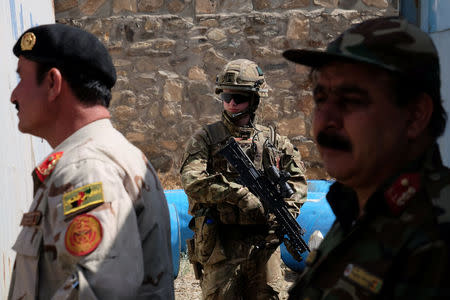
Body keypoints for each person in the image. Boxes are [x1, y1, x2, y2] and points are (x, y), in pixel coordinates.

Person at [282, 16, 450, 299]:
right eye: (320, 98)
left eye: (352, 100)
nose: (326, 119)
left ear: (415, 115)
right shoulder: (358, 207)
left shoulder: (435, 234)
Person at [8, 23, 174, 299]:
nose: (14, 96)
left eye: (21, 79)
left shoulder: (86, 168)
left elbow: (98, 292)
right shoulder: (110, 155)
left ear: (52, 83)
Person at [180, 59, 308, 299]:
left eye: (239, 98)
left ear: (254, 101)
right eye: (226, 97)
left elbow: (298, 184)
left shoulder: (274, 141)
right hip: (221, 244)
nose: (231, 104)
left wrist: (285, 213)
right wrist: (239, 195)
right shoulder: (206, 139)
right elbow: (192, 180)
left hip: (264, 244)